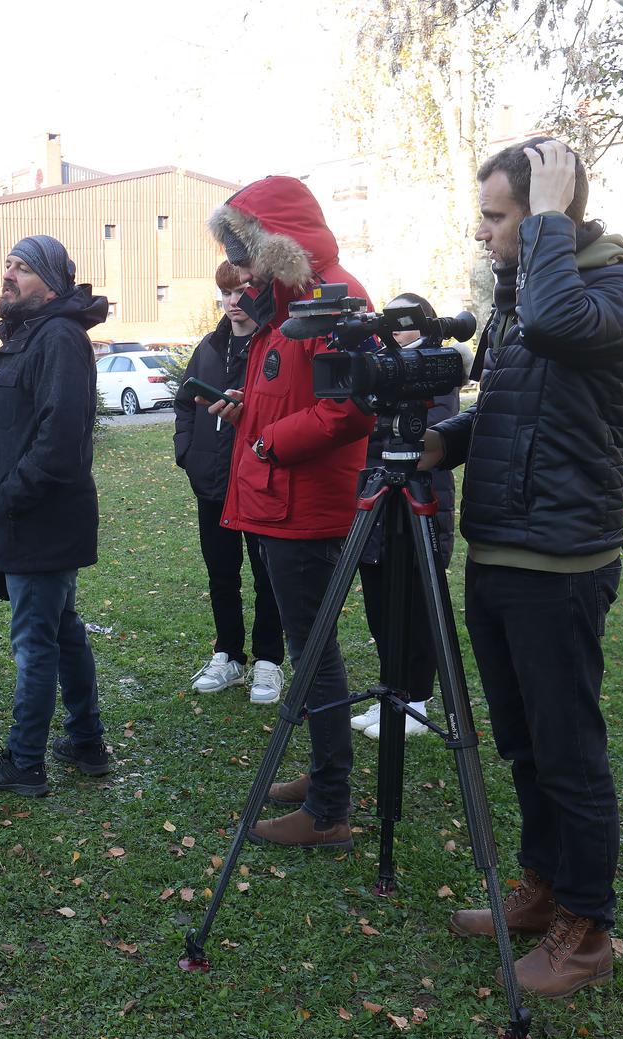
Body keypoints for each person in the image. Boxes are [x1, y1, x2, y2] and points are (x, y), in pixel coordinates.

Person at [420, 138, 623, 997]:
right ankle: (543, 885)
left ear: (546, 210)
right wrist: (440, 444)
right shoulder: (527, 292)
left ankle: (585, 930)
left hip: (560, 562)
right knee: (523, 744)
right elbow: (510, 410)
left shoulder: (617, 291)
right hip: (497, 549)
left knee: (567, 752)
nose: (481, 232)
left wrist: (549, 227)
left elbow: (563, 331)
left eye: (495, 215)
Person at [204, 176, 375, 848]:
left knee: (312, 655)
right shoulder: (289, 302)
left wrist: (270, 439)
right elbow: (299, 392)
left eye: (242, 250)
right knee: (311, 651)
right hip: (282, 496)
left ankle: (329, 807)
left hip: (306, 501)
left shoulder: (335, 297)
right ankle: (321, 775)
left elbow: (351, 404)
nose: (239, 269)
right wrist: (247, 410)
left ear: (275, 243)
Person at [0, 236, 110, 797]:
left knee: (35, 642)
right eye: (7, 263)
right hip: (28, 517)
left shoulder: (59, 338)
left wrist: (10, 497)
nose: (8, 275)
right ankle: (86, 741)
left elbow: (61, 439)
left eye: (22, 268)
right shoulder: (34, 335)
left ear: (51, 283)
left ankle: (25, 761)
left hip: (40, 518)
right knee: (63, 631)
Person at [348, 292, 461, 740]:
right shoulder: (381, 364)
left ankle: (417, 697)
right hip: (379, 500)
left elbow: (431, 434)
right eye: (392, 321)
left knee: (417, 602)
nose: (398, 329)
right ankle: (391, 692)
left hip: (420, 498)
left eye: (408, 321)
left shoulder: (437, 367)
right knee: (380, 605)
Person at [174, 260, 285, 705]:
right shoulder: (209, 347)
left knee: (267, 575)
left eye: (242, 292)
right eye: (226, 294)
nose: (234, 302)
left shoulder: (275, 344)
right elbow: (185, 403)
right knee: (222, 573)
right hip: (213, 483)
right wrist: (188, 452)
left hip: (260, 480)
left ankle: (268, 662)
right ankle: (229, 655)